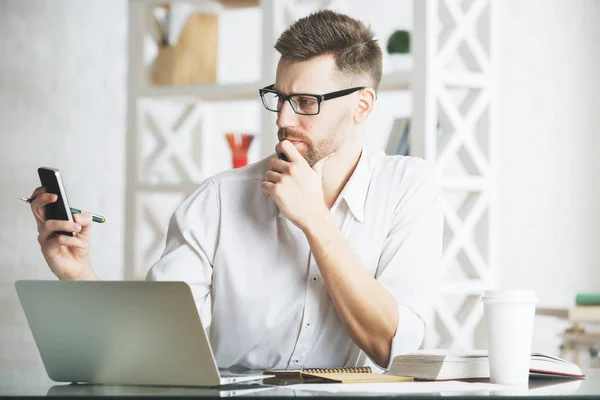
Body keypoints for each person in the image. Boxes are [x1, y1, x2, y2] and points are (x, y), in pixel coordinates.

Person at [28, 10, 442, 371]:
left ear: (362, 106)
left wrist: (315, 220)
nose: (283, 118)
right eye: (278, 98)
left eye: (305, 102)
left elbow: (393, 344)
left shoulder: (408, 188)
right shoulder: (218, 200)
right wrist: (78, 274)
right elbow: (145, 348)